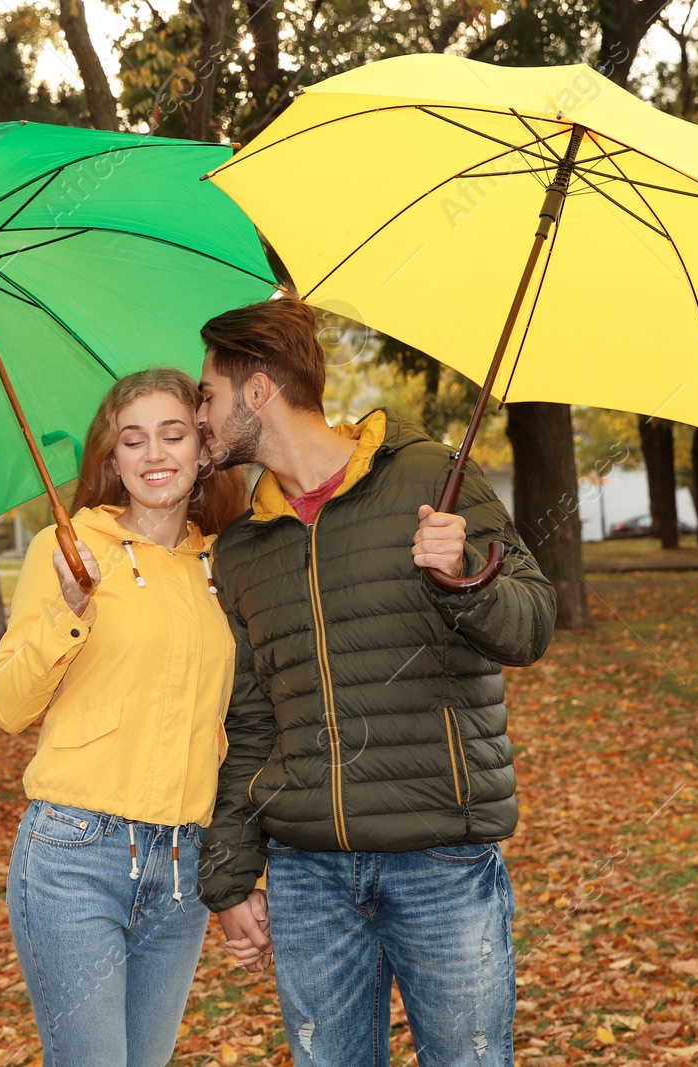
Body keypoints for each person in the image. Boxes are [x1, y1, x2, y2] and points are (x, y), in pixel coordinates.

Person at [194, 295, 559, 1067]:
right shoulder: (243, 549)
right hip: (308, 874)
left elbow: (531, 624)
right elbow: (251, 722)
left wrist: (466, 577)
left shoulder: (432, 478)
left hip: (441, 863)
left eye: (207, 394)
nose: (200, 414)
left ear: (257, 391)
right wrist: (230, 875)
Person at [0, 367, 248, 1067]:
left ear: (202, 449)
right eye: (133, 440)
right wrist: (66, 614)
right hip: (75, 854)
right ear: (112, 458)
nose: (155, 455)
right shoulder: (66, 549)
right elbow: (9, 705)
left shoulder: (225, 562)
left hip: (180, 866)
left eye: (173, 435)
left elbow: (236, 726)